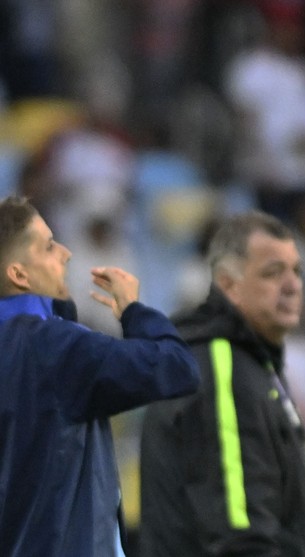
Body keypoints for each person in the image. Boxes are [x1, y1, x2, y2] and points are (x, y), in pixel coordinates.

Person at [0, 195, 200, 556]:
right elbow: (176, 366)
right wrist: (134, 311)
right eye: (48, 246)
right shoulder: (54, 347)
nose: (66, 252)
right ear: (18, 274)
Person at [138, 210, 305, 556]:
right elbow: (240, 532)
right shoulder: (221, 366)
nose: (292, 285)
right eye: (273, 273)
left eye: (296, 271)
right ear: (229, 285)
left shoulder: (250, 362)